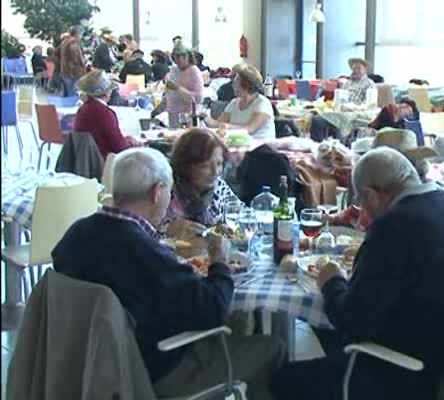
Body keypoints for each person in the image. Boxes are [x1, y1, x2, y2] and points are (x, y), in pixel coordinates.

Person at [272, 146, 444, 400]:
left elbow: (353, 321)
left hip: (414, 373)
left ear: (371, 195)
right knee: (325, 332)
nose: (362, 212)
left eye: (360, 201)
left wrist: (331, 280)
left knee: (281, 378)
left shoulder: (393, 227)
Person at [52, 147, 285, 399]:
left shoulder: (75, 234)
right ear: (157, 192)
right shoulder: (142, 251)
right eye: (169, 191)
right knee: (274, 347)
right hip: (152, 370)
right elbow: (213, 309)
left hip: (86, 364)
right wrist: (219, 260)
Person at [162, 129, 237, 232]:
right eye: (205, 166)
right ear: (185, 165)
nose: (215, 172)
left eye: (219, 164)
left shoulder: (218, 185)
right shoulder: (167, 192)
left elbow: (239, 213)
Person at [73, 69, 141, 159]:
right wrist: (131, 142)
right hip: (104, 163)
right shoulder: (104, 113)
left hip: (85, 161)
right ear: (106, 93)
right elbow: (119, 147)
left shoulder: (83, 109)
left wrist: (126, 140)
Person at [310, 57, 375, 142]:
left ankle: (340, 149)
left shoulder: (369, 84)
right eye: (354, 68)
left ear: (365, 69)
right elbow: (341, 97)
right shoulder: (348, 83)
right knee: (316, 119)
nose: (356, 70)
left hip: (355, 114)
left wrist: (353, 107)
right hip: (340, 111)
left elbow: (370, 104)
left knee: (342, 124)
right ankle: (319, 146)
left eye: (359, 68)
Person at [206, 63, 275, 140]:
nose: (233, 85)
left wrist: (228, 127)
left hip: (260, 146)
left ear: (246, 85)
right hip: (239, 145)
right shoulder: (234, 103)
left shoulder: (262, 103)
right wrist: (204, 117)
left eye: (236, 82)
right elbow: (218, 123)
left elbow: (250, 129)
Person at [156, 43, 204, 128]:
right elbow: (168, 93)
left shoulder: (194, 71)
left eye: (183, 56)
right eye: (176, 57)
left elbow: (198, 98)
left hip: (188, 116)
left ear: (188, 56)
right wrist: (159, 109)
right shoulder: (173, 70)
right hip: (172, 113)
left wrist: (178, 88)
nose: (180, 60)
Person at [59, 25, 87, 97]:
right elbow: (75, 57)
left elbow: (58, 53)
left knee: (66, 95)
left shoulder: (64, 41)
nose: (81, 36)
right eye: (81, 34)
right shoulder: (73, 42)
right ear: (78, 33)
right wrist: (83, 61)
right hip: (73, 72)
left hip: (65, 71)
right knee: (73, 95)